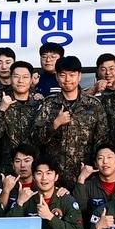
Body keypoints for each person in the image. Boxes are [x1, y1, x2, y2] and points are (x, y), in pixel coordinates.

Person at [32, 55, 109, 188]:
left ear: (79, 76)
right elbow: (35, 138)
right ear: (57, 77)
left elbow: (101, 142)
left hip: (85, 177)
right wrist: (55, 124)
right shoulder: (49, 104)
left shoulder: (93, 105)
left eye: (72, 75)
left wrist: (92, 170)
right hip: (53, 178)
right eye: (62, 75)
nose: (67, 80)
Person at [0, 60, 41, 174]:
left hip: (35, 170)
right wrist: (2, 109)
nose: (21, 81)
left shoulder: (40, 105)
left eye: (25, 77)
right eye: (16, 77)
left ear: (31, 80)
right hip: (6, 168)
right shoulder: (0, 104)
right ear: (11, 79)